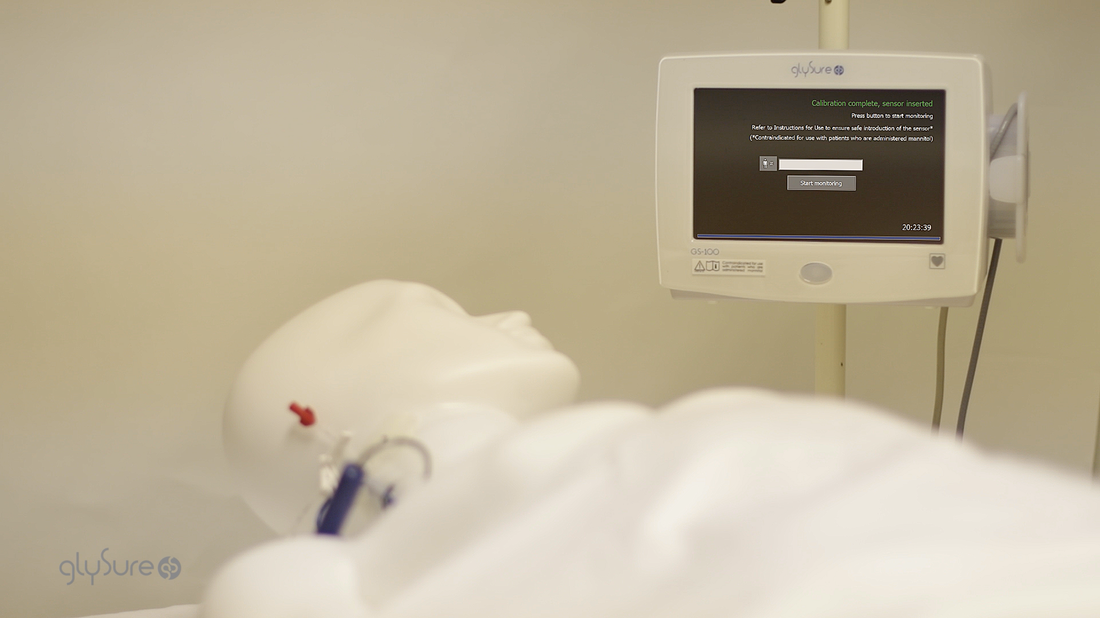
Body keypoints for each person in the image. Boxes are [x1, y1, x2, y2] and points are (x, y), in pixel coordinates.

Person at [202, 281, 1100, 618]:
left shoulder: (638, 436)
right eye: (446, 310)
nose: (507, 310)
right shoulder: (338, 576)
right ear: (306, 414)